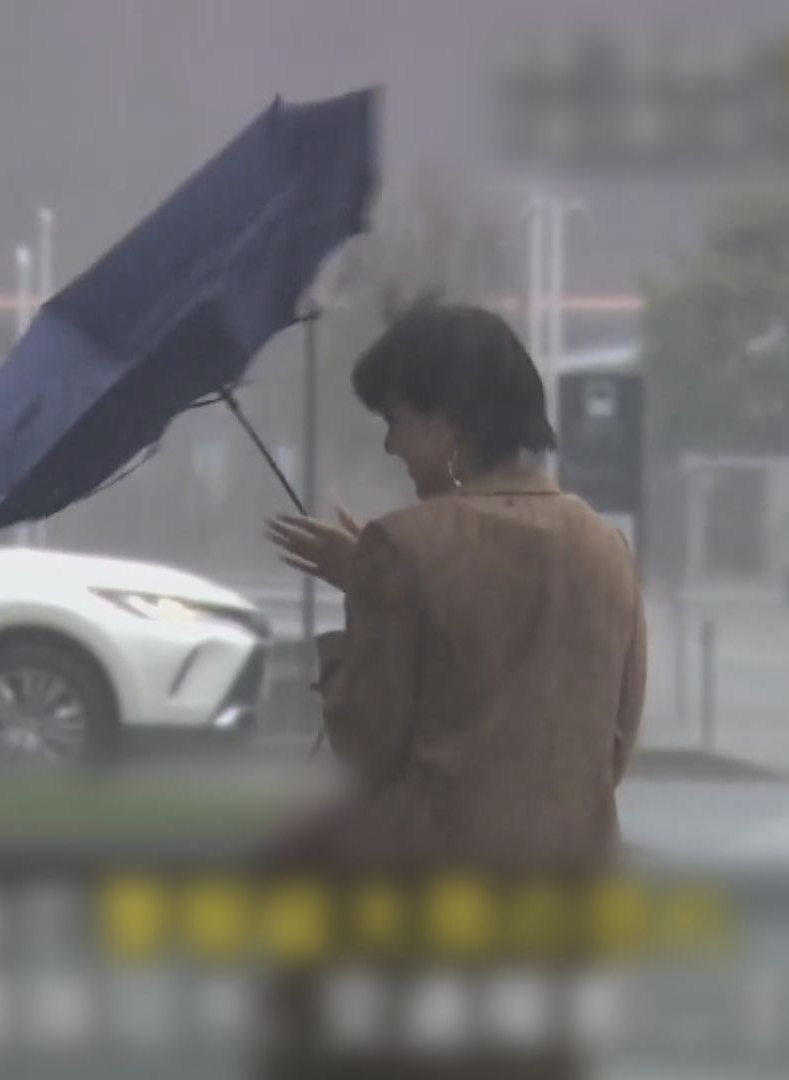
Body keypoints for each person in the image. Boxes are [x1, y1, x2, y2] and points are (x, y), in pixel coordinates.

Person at [266, 302, 647, 869]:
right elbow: (613, 746)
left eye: (396, 421)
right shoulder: (605, 546)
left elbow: (368, 747)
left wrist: (366, 595)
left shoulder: (405, 545)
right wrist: (374, 581)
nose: (390, 445)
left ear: (450, 425)